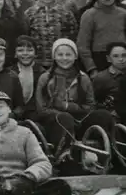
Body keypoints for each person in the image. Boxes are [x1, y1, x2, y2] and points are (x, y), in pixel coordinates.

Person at [35, 39, 115, 167]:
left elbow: (90, 106)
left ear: (75, 56)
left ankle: (107, 153)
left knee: (103, 115)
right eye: (60, 54)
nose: (64, 58)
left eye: (68, 54)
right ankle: (64, 157)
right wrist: (63, 112)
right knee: (65, 118)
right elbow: (41, 109)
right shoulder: (45, 78)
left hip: (79, 120)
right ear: (54, 56)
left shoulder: (83, 78)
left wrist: (68, 107)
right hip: (55, 122)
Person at [25, 0, 77, 68]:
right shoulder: (29, 13)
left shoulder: (65, 13)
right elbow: (26, 36)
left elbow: (73, 36)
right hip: (36, 62)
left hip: (61, 61)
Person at [77, 0, 126, 76]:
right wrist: (91, 68)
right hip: (99, 61)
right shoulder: (89, 15)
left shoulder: (123, 14)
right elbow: (82, 45)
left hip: (122, 59)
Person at [9, 35, 45, 120]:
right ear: (15, 54)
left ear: (35, 53)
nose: (25, 53)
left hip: (35, 114)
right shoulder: (9, 72)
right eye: (20, 50)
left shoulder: (42, 73)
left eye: (29, 50)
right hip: (13, 114)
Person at [92, 42, 126, 120]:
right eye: (115, 56)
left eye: (124, 55)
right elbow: (94, 101)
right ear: (108, 59)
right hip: (111, 117)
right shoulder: (101, 78)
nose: (121, 59)